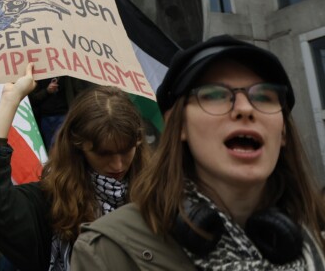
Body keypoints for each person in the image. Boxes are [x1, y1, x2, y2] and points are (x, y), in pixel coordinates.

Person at [72, 35, 325, 269]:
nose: (245, 108)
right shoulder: (108, 251)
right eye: (215, 95)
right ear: (178, 124)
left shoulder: (315, 241)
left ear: (283, 131)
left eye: (264, 96)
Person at [0, 64, 148, 271]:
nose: (118, 164)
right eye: (103, 154)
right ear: (77, 146)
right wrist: (9, 100)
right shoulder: (49, 204)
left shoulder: (158, 194)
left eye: (127, 151)